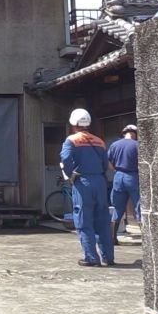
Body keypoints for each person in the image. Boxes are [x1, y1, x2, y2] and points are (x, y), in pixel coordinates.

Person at [60, 108, 115, 267]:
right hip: (100, 181)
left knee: (84, 220)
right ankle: (108, 257)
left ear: (73, 124)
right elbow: (105, 164)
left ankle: (91, 257)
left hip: (83, 181)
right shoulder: (99, 141)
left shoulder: (72, 140)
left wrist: (70, 174)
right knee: (103, 221)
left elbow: (65, 158)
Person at [108, 124, 140, 245]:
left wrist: (116, 170)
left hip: (118, 176)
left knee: (117, 207)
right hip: (132, 176)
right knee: (138, 206)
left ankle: (113, 238)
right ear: (135, 133)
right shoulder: (137, 145)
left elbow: (107, 162)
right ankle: (146, 238)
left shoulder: (114, 145)